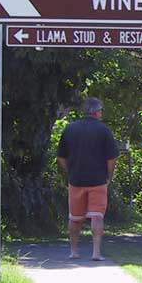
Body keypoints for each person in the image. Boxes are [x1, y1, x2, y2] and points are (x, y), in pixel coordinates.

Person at [56, 97, 119, 260]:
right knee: (97, 216)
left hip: (76, 179)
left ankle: (73, 251)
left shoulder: (70, 128)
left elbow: (61, 157)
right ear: (97, 112)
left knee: (75, 217)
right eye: (101, 110)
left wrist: (70, 171)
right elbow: (111, 159)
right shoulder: (104, 130)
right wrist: (109, 177)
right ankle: (96, 252)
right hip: (98, 179)